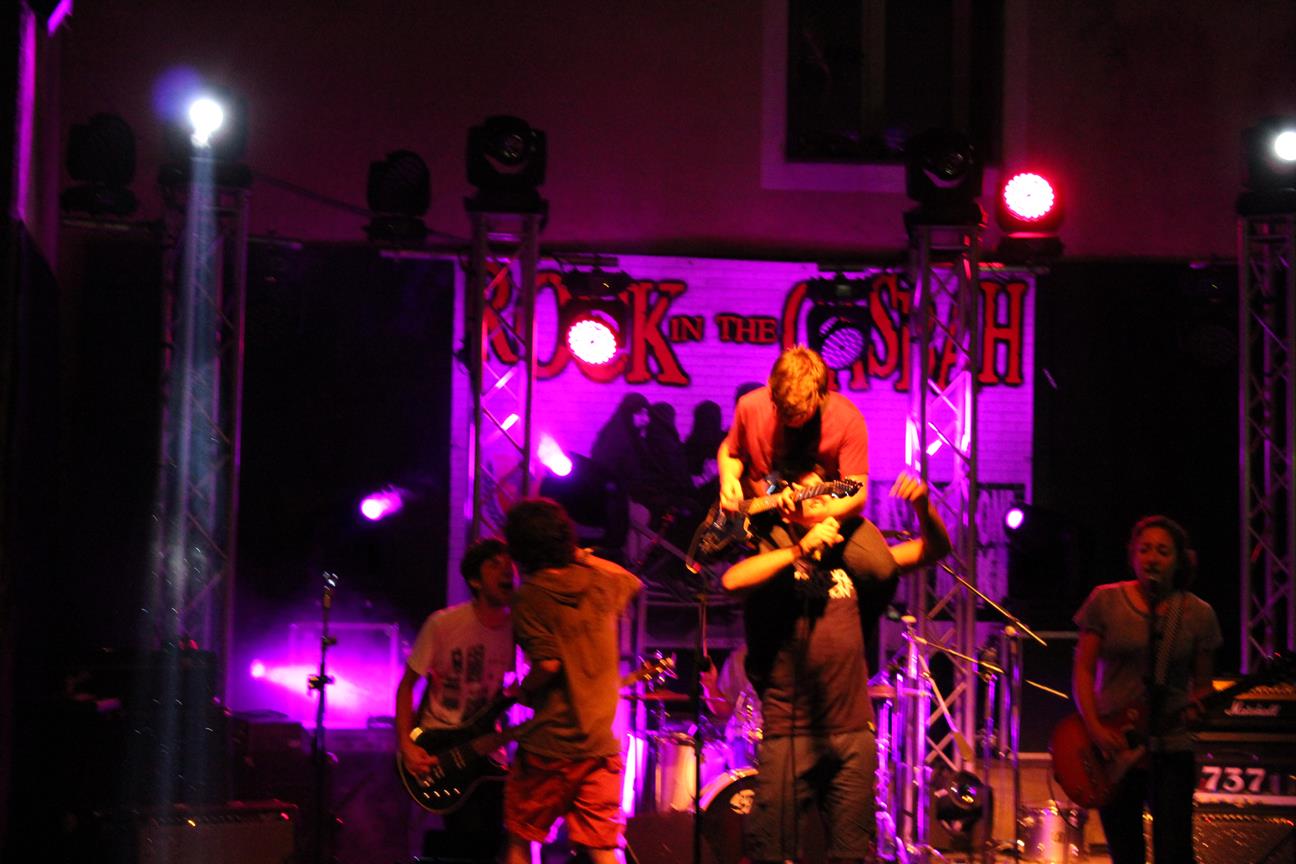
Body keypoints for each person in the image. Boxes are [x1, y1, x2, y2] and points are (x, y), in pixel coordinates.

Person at [720, 472, 950, 864]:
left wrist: (923, 506)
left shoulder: (857, 559)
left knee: (851, 854)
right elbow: (731, 581)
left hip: (852, 735)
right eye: (807, 488)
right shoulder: (773, 550)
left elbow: (935, 549)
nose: (818, 494)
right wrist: (799, 550)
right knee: (770, 852)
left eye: (824, 487)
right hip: (790, 733)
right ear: (788, 505)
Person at [1071, 515, 1222, 864]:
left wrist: (1199, 709)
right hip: (1115, 747)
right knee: (1125, 851)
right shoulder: (1105, 601)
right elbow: (1083, 669)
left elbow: (1203, 685)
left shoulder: (1199, 614)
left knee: (1175, 851)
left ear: (1179, 560)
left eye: (1163, 551)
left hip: (1171, 747)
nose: (1152, 558)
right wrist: (1094, 727)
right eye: (1145, 549)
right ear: (1133, 555)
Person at [501, 498, 643, 864]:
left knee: (521, 836)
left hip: (550, 745)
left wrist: (521, 691)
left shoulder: (530, 596)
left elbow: (548, 664)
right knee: (602, 849)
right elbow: (630, 580)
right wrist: (580, 556)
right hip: (599, 745)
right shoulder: (600, 582)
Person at [395, 537, 517, 862]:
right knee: (469, 841)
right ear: (475, 580)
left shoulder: (518, 628)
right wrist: (406, 745)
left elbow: (505, 690)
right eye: (494, 564)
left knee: (494, 843)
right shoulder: (443, 624)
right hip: (442, 749)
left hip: (487, 750)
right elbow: (406, 687)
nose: (507, 569)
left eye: (510, 563)